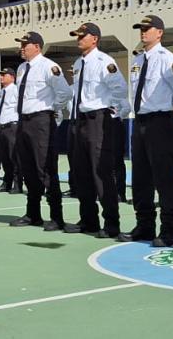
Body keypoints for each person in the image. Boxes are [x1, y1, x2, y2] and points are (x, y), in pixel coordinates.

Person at [119, 15, 173, 247]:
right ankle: (145, 225)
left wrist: (166, 105)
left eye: (148, 29)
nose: (143, 32)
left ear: (159, 32)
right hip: (139, 122)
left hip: (161, 122)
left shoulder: (167, 59)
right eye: (141, 28)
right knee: (140, 178)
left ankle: (169, 229)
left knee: (165, 178)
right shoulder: (138, 61)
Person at [67, 22, 129, 237]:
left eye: (82, 36)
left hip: (98, 120)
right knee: (81, 173)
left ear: (95, 38)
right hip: (80, 120)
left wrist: (108, 110)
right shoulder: (77, 63)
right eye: (77, 36)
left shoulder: (105, 61)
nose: (79, 39)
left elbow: (119, 89)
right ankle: (88, 221)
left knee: (100, 172)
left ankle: (111, 224)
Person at [8, 31, 71, 230]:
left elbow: (65, 93)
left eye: (25, 44)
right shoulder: (21, 68)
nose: (22, 48)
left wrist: (51, 109)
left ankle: (56, 216)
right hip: (24, 122)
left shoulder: (49, 67)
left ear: (37, 46)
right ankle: (33, 213)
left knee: (45, 169)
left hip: (41, 121)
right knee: (28, 170)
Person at [0, 68, 19, 193]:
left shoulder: (15, 90)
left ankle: (17, 184)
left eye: (4, 75)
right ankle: (7, 182)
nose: (1, 77)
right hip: (1, 126)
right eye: (0, 75)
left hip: (12, 126)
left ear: (12, 77)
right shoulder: (2, 92)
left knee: (13, 156)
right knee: (5, 157)